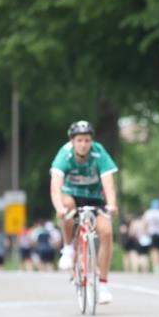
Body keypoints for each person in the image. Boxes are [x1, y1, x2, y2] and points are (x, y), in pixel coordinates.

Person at [50, 120, 119, 304]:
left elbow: (108, 183)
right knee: (67, 205)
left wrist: (112, 204)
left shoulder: (99, 152)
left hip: (95, 197)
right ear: (72, 141)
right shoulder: (64, 155)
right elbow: (55, 187)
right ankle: (68, 249)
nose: (83, 144)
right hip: (71, 195)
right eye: (79, 140)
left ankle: (103, 285)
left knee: (106, 232)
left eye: (87, 140)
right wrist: (59, 209)